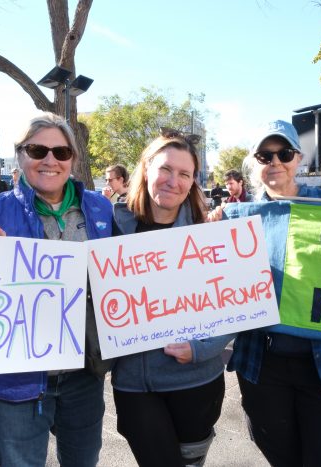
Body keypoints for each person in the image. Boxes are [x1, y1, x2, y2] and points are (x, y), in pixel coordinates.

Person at [0, 112, 113, 467]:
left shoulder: (100, 207)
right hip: (12, 381)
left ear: (73, 159)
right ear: (20, 155)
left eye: (61, 152)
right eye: (37, 149)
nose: (50, 160)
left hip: (82, 375)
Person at [225, 120, 321, 467]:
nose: (275, 162)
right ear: (255, 163)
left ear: (298, 158)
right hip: (263, 363)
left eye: (283, 153)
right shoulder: (237, 217)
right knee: (281, 457)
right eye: (264, 155)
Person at [111, 129, 231, 467]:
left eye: (184, 174)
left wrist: (202, 348)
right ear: (146, 168)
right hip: (135, 383)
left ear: (193, 182)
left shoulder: (209, 232)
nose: (173, 181)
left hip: (197, 380)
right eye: (165, 169)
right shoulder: (108, 225)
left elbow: (239, 304)